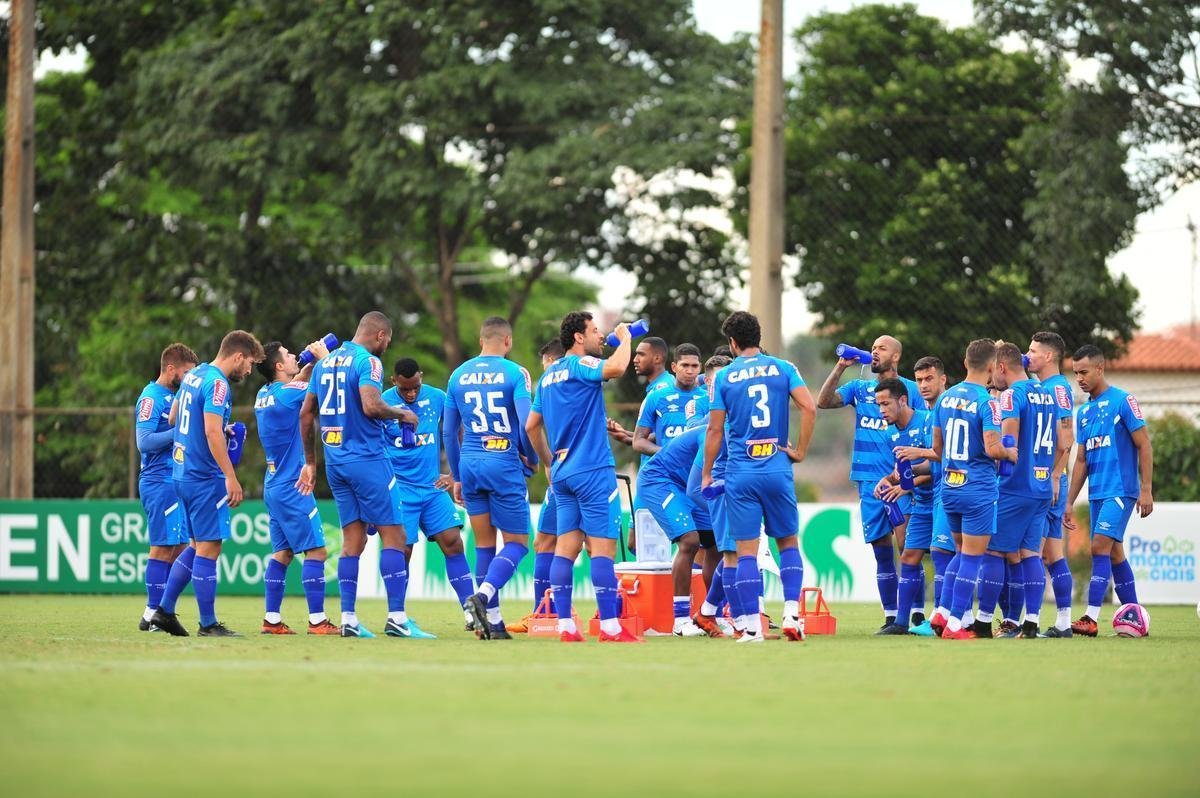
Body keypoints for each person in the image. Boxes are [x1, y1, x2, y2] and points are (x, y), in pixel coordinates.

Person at [298, 311, 419, 638]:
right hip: (367, 459)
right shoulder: (369, 362)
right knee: (395, 537)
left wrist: (311, 462)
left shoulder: (324, 363)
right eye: (387, 340)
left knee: (353, 540)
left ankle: (349, 619)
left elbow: (306, 413)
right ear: (380, 335)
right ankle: (397, 618)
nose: (386, 347)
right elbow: (371, 406)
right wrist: (401, 414)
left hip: (336, 463)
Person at [702, 311, 817, 644]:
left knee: (746, 552)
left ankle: (752, 627)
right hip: (777, 467)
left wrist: (707, 473)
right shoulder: (784, 368)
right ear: (758, 336)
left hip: (741, 472)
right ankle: (792, 614)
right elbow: (809, 408)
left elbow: (714, 430)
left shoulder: (724, 376)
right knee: (788, 543)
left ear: (732, 342)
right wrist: (800, 450)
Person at [525, 311, 639, 643]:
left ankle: (565, 625)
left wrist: (549, 462)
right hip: (592, 470)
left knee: (566, 548)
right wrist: (626, 338)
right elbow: (616, 368)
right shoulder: (579, 364)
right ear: (578, 337)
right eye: (594, 331)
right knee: (603, 550)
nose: (600, 336)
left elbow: (531, 426)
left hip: (562, 473)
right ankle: (611, 627)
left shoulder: (547, 376)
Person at [151, 331, 266, 637]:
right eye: (250, 363)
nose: (249, 370)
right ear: (238, 356)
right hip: (203, 477)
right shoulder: (217, 383)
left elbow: (173, 417)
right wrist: (230, 476)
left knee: (195, 545)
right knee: (210, 547)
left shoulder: (194, 374)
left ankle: (164, 611)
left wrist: (212, 427)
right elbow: (212, 432)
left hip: (181, 473)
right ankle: (208, 624)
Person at [816, 335, 924, 629]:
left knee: (907, 547)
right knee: (881, 550)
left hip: (901, 481)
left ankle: (916, 614)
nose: (875, 352)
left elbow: (923, 428)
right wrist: (840, 367)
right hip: (868, 482)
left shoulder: (910, 390)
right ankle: (891, 616)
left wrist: (910, 474)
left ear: (896, 356)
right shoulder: (859, 388)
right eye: (873, 348)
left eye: (882, 348)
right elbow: (823, 402)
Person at [444, 316, 536, 640]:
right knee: (517, 545)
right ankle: (482, 597)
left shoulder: (458, 375)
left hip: (469, 463)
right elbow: (526, 424)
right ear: (507, 341)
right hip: (503, 462)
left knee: (484, 545)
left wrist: (457, 476)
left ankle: (493, 623)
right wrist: (531, 457)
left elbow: (449, 432)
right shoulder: (516, 373)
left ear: (480, 340)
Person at [381, 358, 475, 639]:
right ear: (394, 381)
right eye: (405, 389)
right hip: (400, 488)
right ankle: (398, 616)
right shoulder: (382, 403)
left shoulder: (437, 397)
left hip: (432, 487)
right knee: (403, 551)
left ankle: (471, 611)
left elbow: (457, 429)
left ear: (421, 377)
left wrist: (454, 472)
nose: (411, 393)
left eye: (416, 387)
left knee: (453, 542)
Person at [1064, 344, 1154, 637]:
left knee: (1099, 547)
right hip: (1097, 493)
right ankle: (1135, 617)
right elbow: (1081, 460)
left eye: (1084, 372)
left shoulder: (1123, 401)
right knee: (1114, 553)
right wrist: (1069, 501)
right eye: (1076, 373)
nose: (1079, 378)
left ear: (1100, 368)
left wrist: (1146, 489)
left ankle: (1090, 618)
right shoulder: (1084, 412)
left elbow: (1144, 444)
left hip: (1121, 490)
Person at [254, 338, 340, 635]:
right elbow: (328, 386)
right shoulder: (289, 395)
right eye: (289, 355)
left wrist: (308, 364)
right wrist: (324, 357)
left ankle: (271, 620)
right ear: (279, 366)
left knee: (283, 554)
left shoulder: (266, 393)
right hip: (294, 485)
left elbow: (298, 382)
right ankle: (317, 620)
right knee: (317, 552)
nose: (294, 356)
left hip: (274, 484)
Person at [928, 339, 1012, 640]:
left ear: (965, 363)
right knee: (973, 559)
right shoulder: (988, 403)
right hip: (977, 489)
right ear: (992, 367)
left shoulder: (945, 398)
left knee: (961, 553)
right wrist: (1010, 453)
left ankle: (942, 612)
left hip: (949, 487)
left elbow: (937, 448)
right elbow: (992, 448)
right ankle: (954, 625)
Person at [985, 342, 1057, 638]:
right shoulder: (1046, 392)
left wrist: (999, 462)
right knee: (1030, 554)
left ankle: (982, 621)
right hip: (1042, 485)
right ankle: (1031, 622)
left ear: (1002, 367)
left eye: (993, 370)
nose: (992, 377)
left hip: (1015, 485)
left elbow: (1008, 442)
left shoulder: (1011, 395)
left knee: (992, 550)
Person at [135, 343, 198, 631]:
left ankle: (161, 610)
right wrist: (181, 432)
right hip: (158, 481)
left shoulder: (176, 397)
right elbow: (144, 441)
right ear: (171, 368)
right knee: (162, 547)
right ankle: (153, 613)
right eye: (186, 373)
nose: (189, 379)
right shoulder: (151, 397)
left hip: (175, 481)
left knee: (182, 548)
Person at [872, 377, 934, 635]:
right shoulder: (890, 434)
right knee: (908, 554)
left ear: (903, 400)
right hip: (920, 502)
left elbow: (939, 465)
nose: (881, 410)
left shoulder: (928, 421)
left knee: (943, 556)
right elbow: (902, 472)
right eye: (878, 405)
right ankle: (901, 622)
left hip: (941, 499)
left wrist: (906, 486)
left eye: (886, 403)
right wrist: (887, 481)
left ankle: (949, 619)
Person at [1026, 331, 1077, 637]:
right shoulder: (1041, 387)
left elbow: (1066, 436)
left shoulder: (1057, 389)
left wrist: (1056, 474)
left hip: (1047, 482)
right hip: (1045, 480)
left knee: (1030, 553)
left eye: (1033, 351)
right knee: (1051, 555)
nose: (1027, 355)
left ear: (1048, 356)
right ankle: (1063, 623)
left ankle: (1028, 621)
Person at [688, 354, 737, 638]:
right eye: (718, 380)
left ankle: (712, 611)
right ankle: (734, 617)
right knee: (726, 551)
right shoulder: (711, 422)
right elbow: (695, 484)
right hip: (713, 489)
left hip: (727, 487)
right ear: (708, 383)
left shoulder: (732, 414)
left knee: (727, 553)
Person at [910, 356, 955, 629]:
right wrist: (906, 471)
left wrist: (918, 453)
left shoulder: (947, 408)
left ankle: (942, 616)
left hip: (954, 488)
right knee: (942, 554)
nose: (924, 385)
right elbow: (935, 460)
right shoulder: (929, 414)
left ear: (943, 379)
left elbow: (945, 454)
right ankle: (952, 617)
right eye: (919, 380)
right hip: (938, 489)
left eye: (929, 379)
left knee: (943, 553)